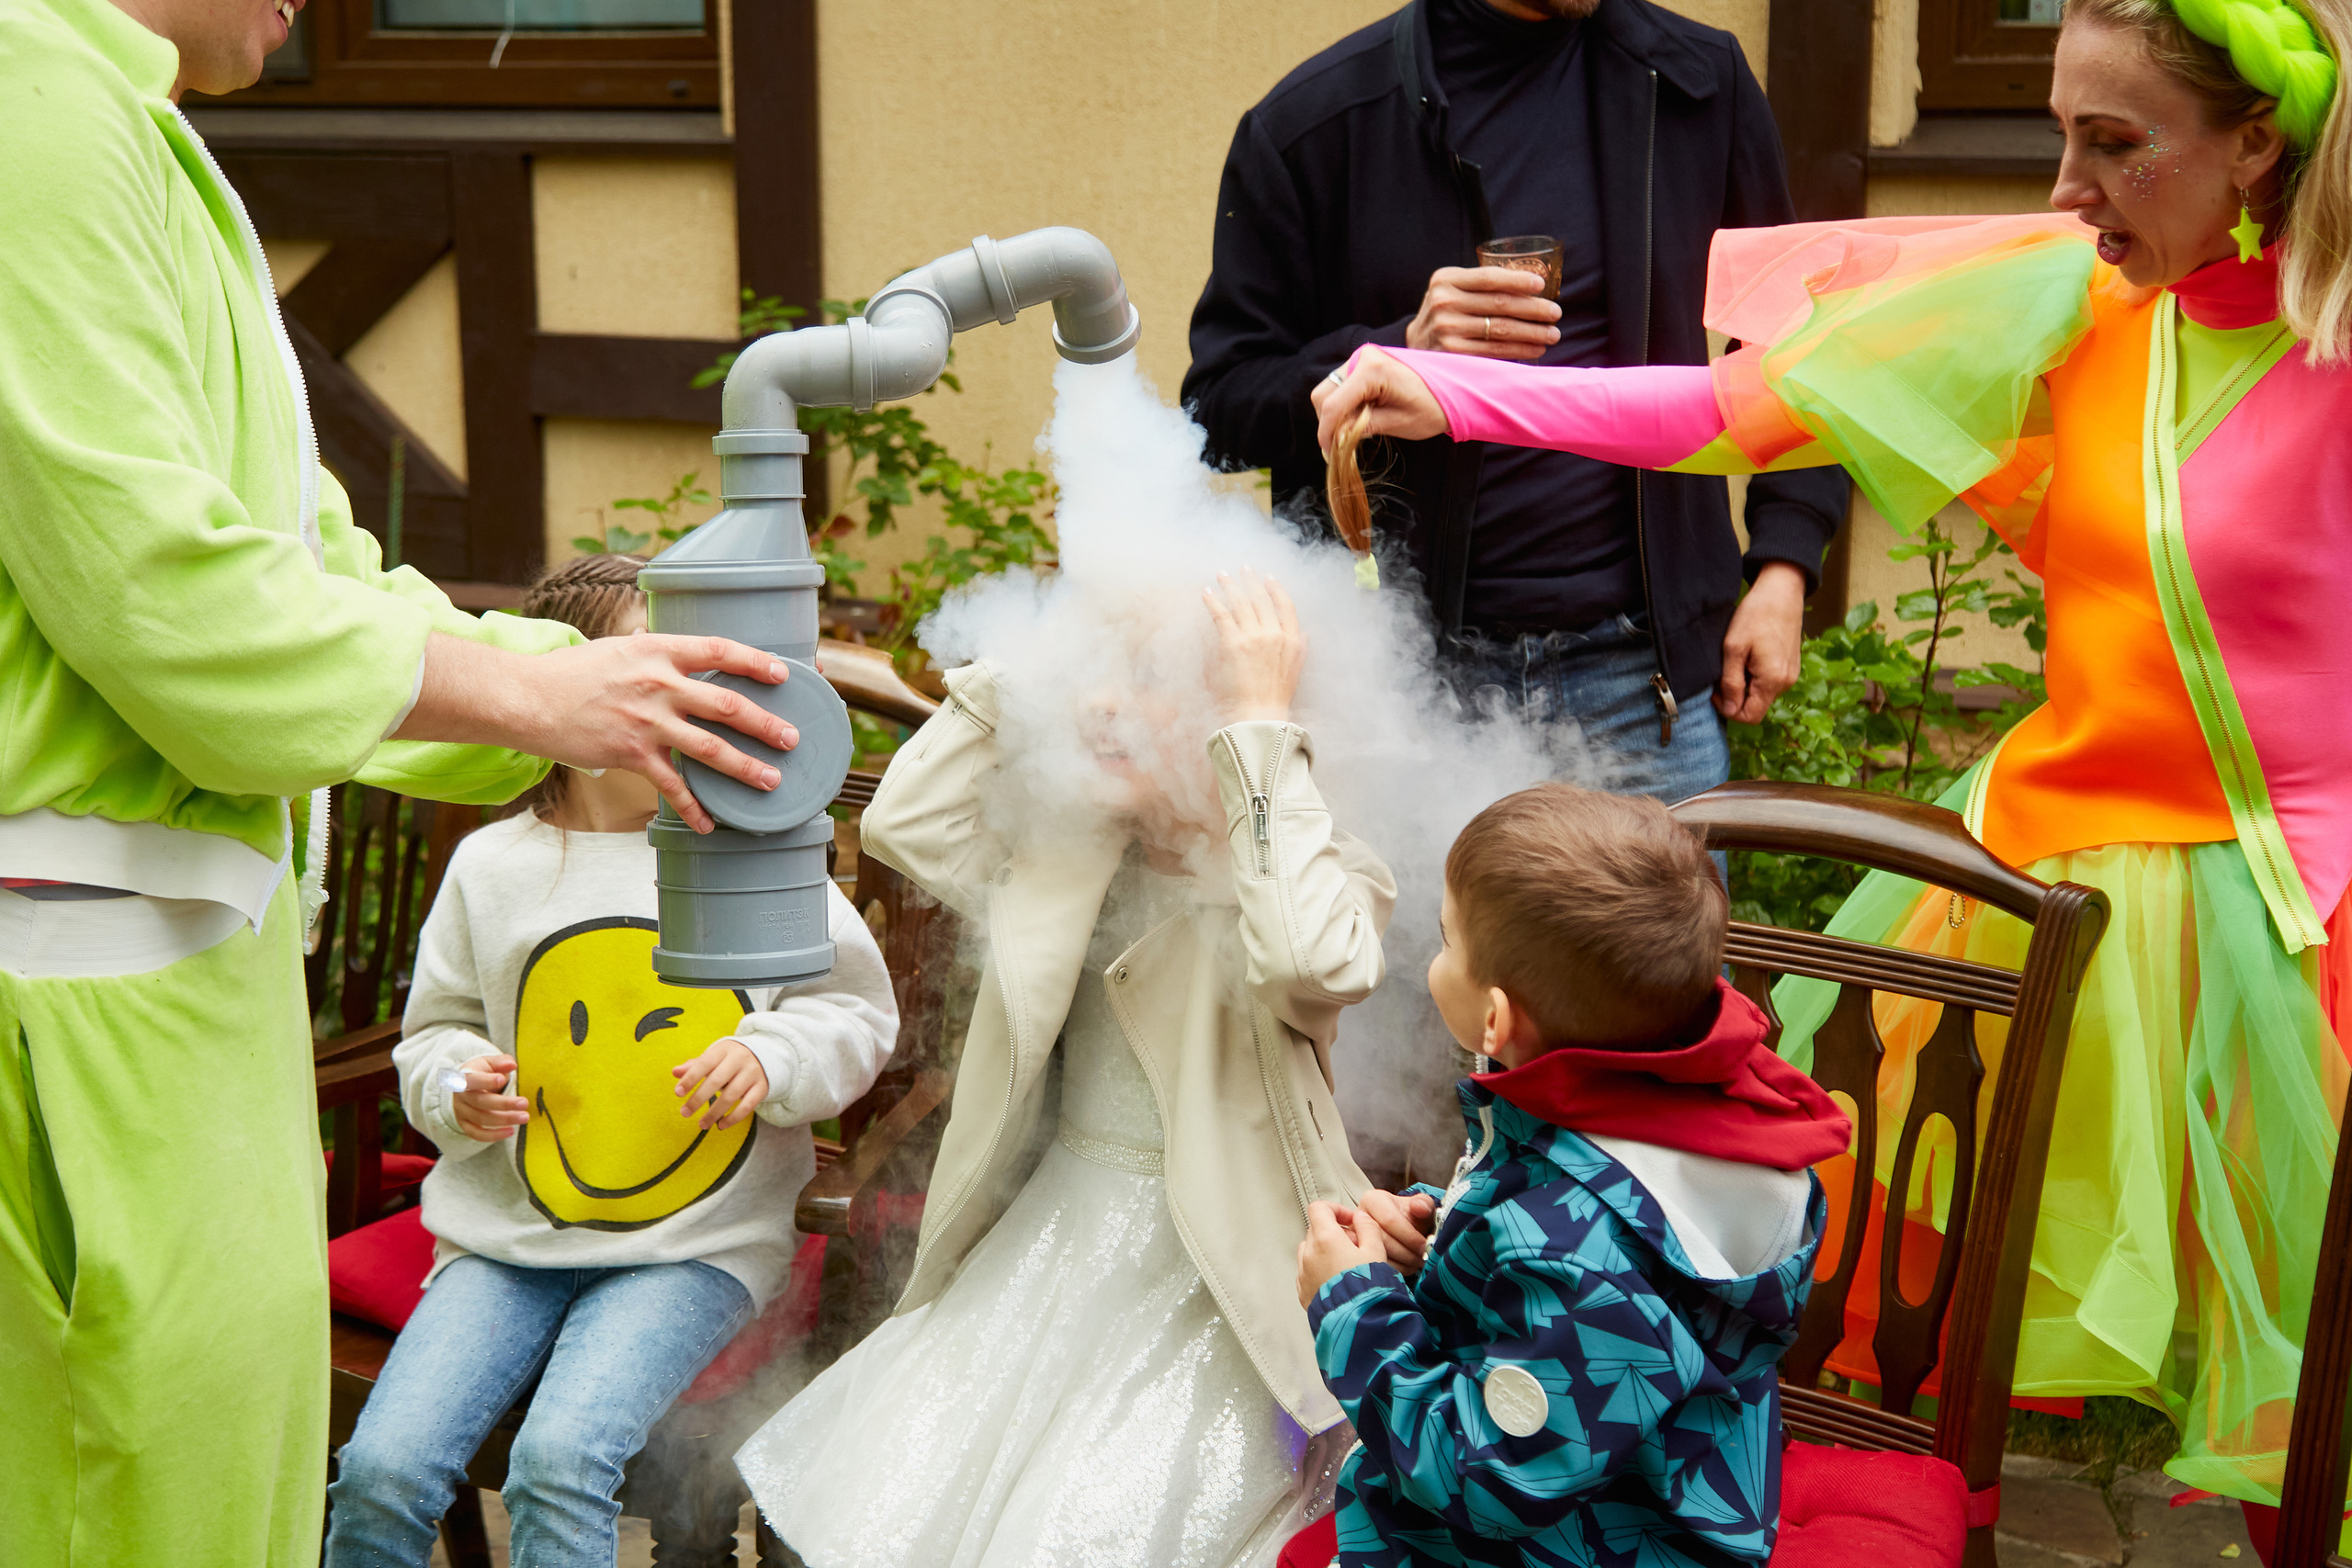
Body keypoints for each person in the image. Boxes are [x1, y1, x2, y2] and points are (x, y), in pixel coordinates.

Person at [1310, 0, 2352, 1539]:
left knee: (2308, 1398)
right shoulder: (2075, 295)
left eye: (2115, 146)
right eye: (2058, 129)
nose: (2064, 188)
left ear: (2255, 143)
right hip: (2047, 891)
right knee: (1876, 1303)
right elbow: (1733, 411)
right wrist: (1451, 388)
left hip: (2303, 926)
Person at [0, 1, 805, 1562]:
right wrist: (551, 696)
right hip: (84, 990)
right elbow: (180, 615)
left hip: (180, 996)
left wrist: (586, 702)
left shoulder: (127, 121)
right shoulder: (33, 113)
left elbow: (317, 577)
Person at [732, 571, 1396, 1566]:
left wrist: (1260, 722)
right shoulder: (1070, 848)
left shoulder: (1318, 874)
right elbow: (902, 824)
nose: (1096, 702)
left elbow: (1311, 960)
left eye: (1143, 680)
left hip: (1217, 1276)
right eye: (1088, 676)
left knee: (1083, 1524)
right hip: (1053, 1232)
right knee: (907, 1484)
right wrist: (1038, 657)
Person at [322, 556, 899, 1568]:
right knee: (382, 1471)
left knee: (559, 1461)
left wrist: (771, 1055)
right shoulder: (491, 867)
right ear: (579, 695)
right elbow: (436, 1032)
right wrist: (457, 1083)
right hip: (501, 1242)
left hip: (692, 1251)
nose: (702, 707)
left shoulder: (752, 859)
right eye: (664, 672)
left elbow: (851, 1010)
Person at [1182, 0, 1849, 806]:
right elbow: (1220, 405)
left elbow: (1795, 345)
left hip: (1639, 683)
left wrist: (1785, 563)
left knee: (1659, 939)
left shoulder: (1696, 83)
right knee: (1418, 942)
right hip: (1415, 694)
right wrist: (1402, 346)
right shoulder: (1314, 125)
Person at [1292, 783, 1845, 1566]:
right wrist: (1442, 1233)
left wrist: (1353, 1304)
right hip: (1654, 1491)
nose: (1433, 955)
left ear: (1495, 1018)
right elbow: (1580, 1232)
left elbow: (1485, 1476)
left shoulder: (1568, 1243)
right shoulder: (1655, 1098)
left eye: (1447, 939)